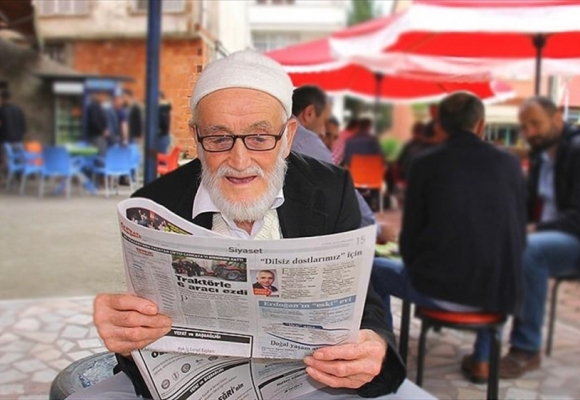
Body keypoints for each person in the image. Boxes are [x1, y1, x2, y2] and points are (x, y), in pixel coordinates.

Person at [73, 50, 405, 400]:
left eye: (260, 138)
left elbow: (364, 305)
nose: (240, 160)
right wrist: (127, 338)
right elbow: (141, 341)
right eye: (219, 139)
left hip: (306, 381)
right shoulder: (156, 203)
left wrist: (374, 345)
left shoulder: (330, 189)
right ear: (196, 138)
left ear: (288, 136)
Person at [371, 91, 527, 383]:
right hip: (498, 293)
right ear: (481, 125)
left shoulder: (425, 163)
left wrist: (413, 261)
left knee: (374, 270)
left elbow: (412, 237)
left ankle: (385, 354)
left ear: (439, 125)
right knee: (494, 265)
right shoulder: (509, 164)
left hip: (437, 290)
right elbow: (517, 231)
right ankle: (482, 359)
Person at [499, 96, 580, 379]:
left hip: (573, 238)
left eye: (536, 124)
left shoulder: (576, 150)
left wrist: (532, 230)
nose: (529, 132)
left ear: (557, 118)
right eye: (525, 126)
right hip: (550, 234)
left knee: (529, 249)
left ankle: (526, 347)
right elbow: (526, 206)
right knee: (500, 238)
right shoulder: (540, 154)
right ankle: (484, 336)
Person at [290, 85, 377, 229]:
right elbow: (345, 196)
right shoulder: (306, 142)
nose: (324, 132)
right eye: (325, 121)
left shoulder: (282, 132)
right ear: (309, 113)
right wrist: (376, 227)